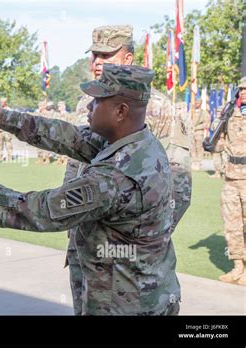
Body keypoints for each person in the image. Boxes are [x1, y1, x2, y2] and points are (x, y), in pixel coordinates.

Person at [0, 64, 181, 315]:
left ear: (120, 112)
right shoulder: (139, 144)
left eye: (97, 101)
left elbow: (44, 211)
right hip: (149, 295)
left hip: (126, 306)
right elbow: (68, 136)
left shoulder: (114, 176)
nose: (89, 107)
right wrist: (3, 117)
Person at [66, 25, 191, 314]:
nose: (97, 61)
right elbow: (76, 170)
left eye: (106, 54)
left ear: (128, 59)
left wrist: (139, 244)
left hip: (128, 263)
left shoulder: (158, 107)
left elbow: (179, 187)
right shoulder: (86, 102)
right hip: (84, 247)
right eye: (94, 54)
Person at [218, 76, 246, 286]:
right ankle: (237, 267)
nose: (243, 92)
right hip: (230, 175)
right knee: (232, 223)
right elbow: (220, 141)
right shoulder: (230, 114)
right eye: (241, 89)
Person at [190, 99, 209, 170]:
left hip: (199, 132)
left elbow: (206, 123)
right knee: (192, 147)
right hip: (191, 132)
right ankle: (193, 161)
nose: (196, 104)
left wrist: (196, 127)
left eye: (197, 103)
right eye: (195, 103)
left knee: (199, 147)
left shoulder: (203, 113)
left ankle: (198, 162)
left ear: (200, 104)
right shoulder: (191, 112)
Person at [0, 97, 13, 162]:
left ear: (5, 102)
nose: (1, 103)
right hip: (0, 130)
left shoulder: (9, 110)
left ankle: (10, 157)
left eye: (2, 102)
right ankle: (0, 157)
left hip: (7, 130)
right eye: (0, 102)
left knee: (9, 144)